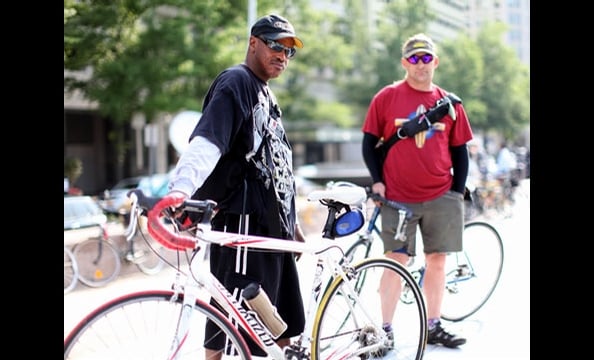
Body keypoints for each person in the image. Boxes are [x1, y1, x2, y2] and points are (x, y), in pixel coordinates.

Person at [156, 14, 306, 358]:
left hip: (273, 228)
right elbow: (209, 140)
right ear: (253, 43)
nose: (283, 55)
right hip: (244, 221)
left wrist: (291, 223)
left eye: (289, 51)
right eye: (275, 45)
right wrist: (180, 190)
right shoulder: (236, 82)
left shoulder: (265, 93)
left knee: (279, 326)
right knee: (234, 321)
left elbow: (276, 162)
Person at [361, 33, 473, 349]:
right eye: (414, 59)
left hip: (441, 195)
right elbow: (369, 143)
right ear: (404, 63)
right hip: (397, 197)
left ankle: (433, 326)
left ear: (435, 62)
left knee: (437, 261)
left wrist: (456, 191)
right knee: (395, 261)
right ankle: (385, 330)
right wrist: (377, 180)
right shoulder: (386, 97)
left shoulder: (450, 104)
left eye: (426, 58)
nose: (420, 64)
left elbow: (460, 150)